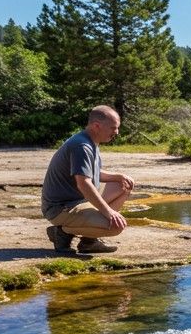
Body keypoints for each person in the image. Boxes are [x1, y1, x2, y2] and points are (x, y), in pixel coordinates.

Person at [41, 105, 134, 254]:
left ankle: (88, 242)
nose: (116, 132)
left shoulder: (91, 141)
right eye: (113, 128)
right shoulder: (82, 146)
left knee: (122, 185)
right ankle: (62, 232)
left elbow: (90, 172)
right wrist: (109, 212)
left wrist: (118, 177)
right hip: (60, 208)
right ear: (97, 126)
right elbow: (83, 183)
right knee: (116, 226)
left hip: (78, 202)